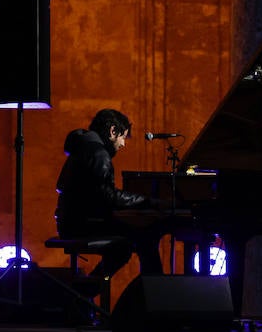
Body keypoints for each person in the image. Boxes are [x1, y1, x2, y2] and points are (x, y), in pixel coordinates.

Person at [54, 108, 176, 283]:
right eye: (123, 137)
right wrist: (149, 202)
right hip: (83, 224)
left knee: (128, 245)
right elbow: (108, 197)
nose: (123, 144)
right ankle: (154, 292)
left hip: (70, 222)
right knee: (145, 237)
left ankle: (89, 287)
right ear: (112, 131)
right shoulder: (98, 153)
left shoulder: (82, 148)